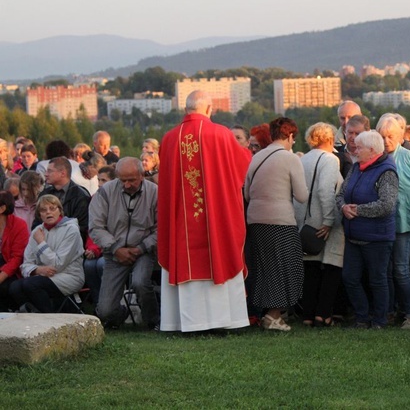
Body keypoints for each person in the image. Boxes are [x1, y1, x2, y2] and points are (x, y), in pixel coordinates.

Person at [158, 90, 252, 333]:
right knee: (221, 249)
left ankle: (182, 322)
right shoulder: (221, 134)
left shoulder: (169, 139)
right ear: (209, 109)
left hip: (180, 222)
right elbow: (244, 166)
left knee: (182, 254)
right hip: (215, 216)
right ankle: (225, 321)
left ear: (185, 110)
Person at [245, 117, 307, 331]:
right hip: (280, 221)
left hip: (255, 220)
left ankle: (266, 314)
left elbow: (246, 191)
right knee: (284, 268)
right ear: (290, 136)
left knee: (263, 269)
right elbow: (302, 195)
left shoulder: (256, 157)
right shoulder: (290, 159)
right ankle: (273, 316)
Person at [337, 131, 399, 328]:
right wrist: (343, 207)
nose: (355, 150)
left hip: (377, 237)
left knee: (377, 280)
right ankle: (362, 316)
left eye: (359, 147)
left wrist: (358, 210)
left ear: (372, 151)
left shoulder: (387, 171)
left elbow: (386, 205)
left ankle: (380, 319)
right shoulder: (356, 168)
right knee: (350, 278)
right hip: (353, 235)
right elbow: (341, 194)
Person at [89, 158, 159, 330]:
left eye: (131, 180)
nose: (127, 185)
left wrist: (141, 248)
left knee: (140, 283)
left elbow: (162, 229)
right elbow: (95, 227)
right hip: (114, 253)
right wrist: (115, 248)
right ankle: (120, 314)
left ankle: (153, 321)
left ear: (142, 175)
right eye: (123, 180)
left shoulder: (155, 193)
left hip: (143, 250)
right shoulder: (105, 192)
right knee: (105, 311)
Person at [377, 115, 410, 329]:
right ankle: (389, 311)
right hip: (381, 222)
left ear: (400, 138)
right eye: (382, 136)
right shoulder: (376, 157)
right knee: (385, 270)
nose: (386, 141)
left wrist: (392, 195)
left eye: (390, 136)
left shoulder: (409, 156)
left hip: (404, 221)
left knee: (402, 269)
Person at [294, 122, 345, 327]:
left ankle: (307, 315)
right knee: (332, 268)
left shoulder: (302, 159)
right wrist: (329, 220)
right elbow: (326, 190)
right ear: (330, 139)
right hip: (324, 223)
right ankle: (323, 315)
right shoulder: (330, 159)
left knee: (310, 271)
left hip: (304, 223)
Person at [9, 194, 84, 313]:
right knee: (15, 287)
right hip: (42, 276)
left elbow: (57, 265)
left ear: (60, 211)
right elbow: (26, 264)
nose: (48, 212)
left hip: (69, 275)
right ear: (39, 215)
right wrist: (37, 270)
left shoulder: (71, 230)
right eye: (43, 210)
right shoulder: (37, 231)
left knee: (31, 285)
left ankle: (49, 319)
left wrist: (41, 243)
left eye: (52, 208)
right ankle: (33, 316)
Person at [36, 157, 91, 245]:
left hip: (70, 246)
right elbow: (37, 222)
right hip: (45, 242)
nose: (45, 174)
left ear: (62, 173)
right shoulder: (44, 194)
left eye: (50, 171)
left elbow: (81, 228)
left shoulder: (80, 196)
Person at [0, 191, 31, 312]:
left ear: (2, 208)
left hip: (12, 270)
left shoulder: (19, 225)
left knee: (4, 287)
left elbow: (17, 258)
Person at [336, 114, 370, 179]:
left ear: (367, 134)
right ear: (345, 132)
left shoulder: (372, 156)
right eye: (350, 132)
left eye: (357, 133)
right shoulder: (336, 153)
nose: (353, 137)